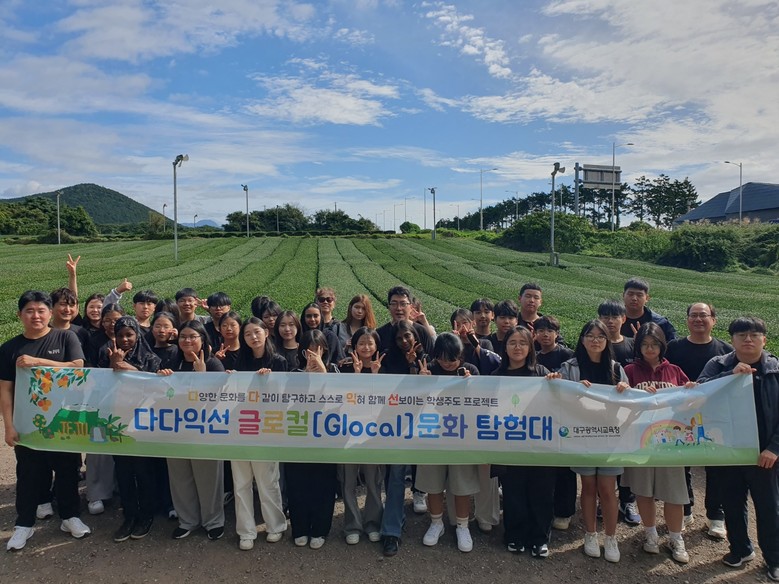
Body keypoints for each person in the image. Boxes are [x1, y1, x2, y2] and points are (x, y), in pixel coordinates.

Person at [1, 291, 91, 551]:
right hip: (28, 423)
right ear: (19, 315)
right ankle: (24, 524)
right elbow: (5, 390)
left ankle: (70, 517)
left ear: (50, 313)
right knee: (29, 474)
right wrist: (9, 426)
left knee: (67, 471)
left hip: (62, 420)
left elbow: (77, 366)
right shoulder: (9, 348)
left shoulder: (65, 337)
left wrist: (37, 362)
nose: (36, 315)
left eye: (41, 310)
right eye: (29, 311)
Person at [698, 317, 779, 582]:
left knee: (769, 507)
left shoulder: (775, 369)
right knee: (732, 503)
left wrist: (774, 448)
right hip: (727, 449)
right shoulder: (718, 364)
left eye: (754, 334)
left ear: (764, 339)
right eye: (741, 335)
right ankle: (741, 549)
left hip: (763, 454)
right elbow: (698, 392)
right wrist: (729, 376)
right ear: (732, 339)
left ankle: (775, 558)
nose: (748, 339)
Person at [547, 319, 629, 563]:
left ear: (607, 341)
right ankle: (590, 534)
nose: (595, 340)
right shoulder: (570, 367)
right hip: (582, 435)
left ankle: (611, 537)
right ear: (582, 340)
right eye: (590, 336)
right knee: (589, 486)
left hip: (610, 436)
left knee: (608, 489)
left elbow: (629, 403)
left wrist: (624, 389)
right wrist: (558, 381)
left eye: (600, 336)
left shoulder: (616, 369)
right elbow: (556, 394)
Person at [622, 322, 695, 564]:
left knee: (674, 493)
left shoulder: (674, 370)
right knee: (643, 490)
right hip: (640, 441)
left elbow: (689, 402)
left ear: (662, 345)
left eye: (654, 344)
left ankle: (676, 537)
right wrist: (628, 392)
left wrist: (691, 390)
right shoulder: (630, 371)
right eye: (644, 344)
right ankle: (650, 534)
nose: (649, 349)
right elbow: (621, 404)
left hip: (670, 442)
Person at [666, 302, 733, 539]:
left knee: (715, 466)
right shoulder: (674, 348)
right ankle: (685, 509)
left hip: (715, 416)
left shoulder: (725, 351)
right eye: (693, 315)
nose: (698, 319)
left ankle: (716, 515)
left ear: (714, 320)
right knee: (681, 463)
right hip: (680, 415)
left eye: (703, 315)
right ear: (687, 320)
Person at [492, 327, 554, 557]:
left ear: (530, 347)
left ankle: (539, 538)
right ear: (505, 347)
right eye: (512, 343)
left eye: (523, 343)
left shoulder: (542, 374)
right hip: (509, 443)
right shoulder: (495, 377)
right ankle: (515, 535)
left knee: (541, 492)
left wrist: (556, 383)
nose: (517, 347)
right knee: (513, 492)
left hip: (539, 443)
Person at [416, 333, 480, 553]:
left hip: (460, 437)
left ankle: (463, 526)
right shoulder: (428, 370)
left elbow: (481, 403)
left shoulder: (470, 371)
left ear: (460, 355)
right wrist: (421, 382)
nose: (447, 363)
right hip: (431, 436)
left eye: (452, 358)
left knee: (461, 484)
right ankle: (436, 523)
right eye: (442, 358)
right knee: (433, 483)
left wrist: (471, 385)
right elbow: (413, 403)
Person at [164, 320, 225, 541]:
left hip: (205, 430)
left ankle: (213, 521)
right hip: (176, 429)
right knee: (180, 477)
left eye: (193, 336)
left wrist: (201, 375)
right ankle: (187, 520)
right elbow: (162, 395)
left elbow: (218, 399)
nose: (187, 340)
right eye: (183, 337)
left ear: (202, 339)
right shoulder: (172, 361)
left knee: (208, 478)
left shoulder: (213, 364)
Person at [230, 317, 288, 550]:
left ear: (266, 332)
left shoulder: (278, 361)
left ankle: (276, 526)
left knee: (268, 481)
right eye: (247, 334)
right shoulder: (239, 361)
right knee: (241, 482)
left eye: (256, 332)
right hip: (241, 427)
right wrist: (230, 379)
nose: (253, 337)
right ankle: (246, 531)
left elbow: (284, 396)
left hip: (266, 429)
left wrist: (269, 382)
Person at [106, 317, 162, 542]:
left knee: (143, 472)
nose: (125, 339)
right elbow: (100, 385)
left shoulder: (150, 358)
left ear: (138, 335)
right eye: (120, 335)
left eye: (129, 334)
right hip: (116, 423)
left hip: (142, 424)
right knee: (123, 473)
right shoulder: (108, 356)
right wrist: (113, 364)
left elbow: (153, 384)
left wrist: (125, 367)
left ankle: (146, 515)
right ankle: (129, 516)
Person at [285, 330, 339, 550]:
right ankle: (299, 528)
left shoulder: (333, 371)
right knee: (298, 484)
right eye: (309, 351)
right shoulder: (294, 373)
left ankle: (320, 529)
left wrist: (323, 375)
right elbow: (289, 404)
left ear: (325, 350)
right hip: (298, 439)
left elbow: (338, 403)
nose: (314, 356)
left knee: (323, 485)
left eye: (318, 350)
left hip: (325, 439)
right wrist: (306, 378)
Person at [338, 327, 384, 546]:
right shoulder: (344, 368)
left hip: (374, 435)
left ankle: (373, 523)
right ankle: (352, 525)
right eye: (361, 343)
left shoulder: (383, 369)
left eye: (370, 343)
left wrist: (374, 376)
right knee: (348, 482)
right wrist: (357, 376)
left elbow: (384, 403)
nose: (366, 347)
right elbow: (342, 401)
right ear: (354, 346)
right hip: (348, 434)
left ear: (376, 346)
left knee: (374, 481)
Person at [597, 299, 640, 527]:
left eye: (615, 317)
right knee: (604, 458)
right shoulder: (597, 344)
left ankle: (627, 501)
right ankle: (603, 500)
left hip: (629, 414)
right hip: (602, 415)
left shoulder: (633, 344)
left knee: (626, 459)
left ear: (624, 319)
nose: (610, 321)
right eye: (605, 316)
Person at [376, 286, 434, 361]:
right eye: (394, 304)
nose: (398, 308)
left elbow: (432, 358)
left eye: (403, 304)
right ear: (389, 307)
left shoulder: (421, 331)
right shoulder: (380, 333)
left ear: (411, 307)